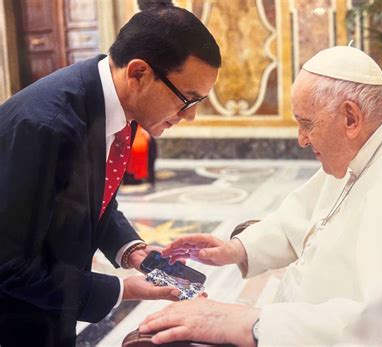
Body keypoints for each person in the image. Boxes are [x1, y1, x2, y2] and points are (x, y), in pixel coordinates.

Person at [138, 46, 382, 346]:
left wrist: (249, 323)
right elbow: (306, 216)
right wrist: (238, 248)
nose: (301, 139)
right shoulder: (368, 147)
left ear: (351, 118)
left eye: (306, 123)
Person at [0, 6, 220, 347]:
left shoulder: (115, 102)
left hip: (51, 298)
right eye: (187, 100)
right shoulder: (46, 126)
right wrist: (121, 290)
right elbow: (8, 264)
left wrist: (134, 252)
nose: (189, 117)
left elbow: (91, 197)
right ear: (139, 73)